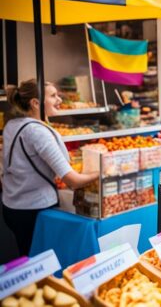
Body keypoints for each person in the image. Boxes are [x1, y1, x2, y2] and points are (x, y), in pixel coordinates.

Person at [2, 80, 99, 255]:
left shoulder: (12, 125)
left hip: (12, 207)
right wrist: (102, 172)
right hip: (35, 212)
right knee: (43, 263)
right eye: (53, 96)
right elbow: (73, 181)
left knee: (28, 257)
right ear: (35, 103)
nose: (59, 100)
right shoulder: (38, 132)